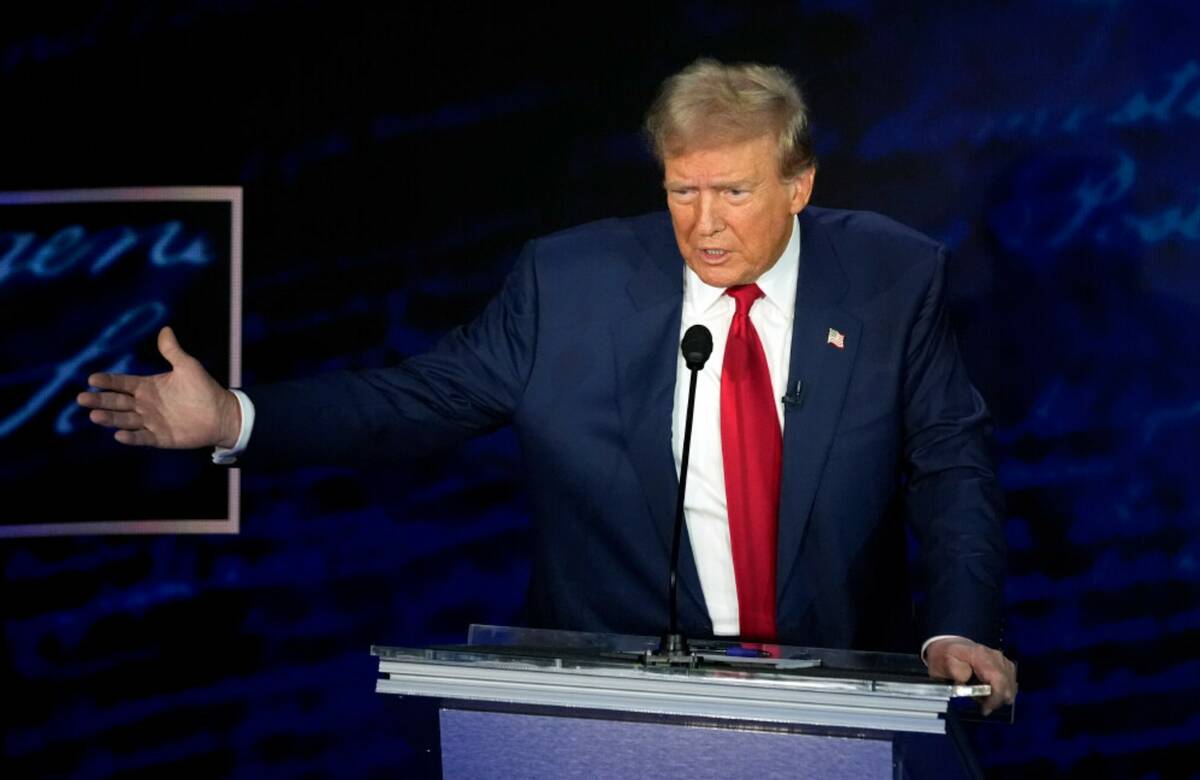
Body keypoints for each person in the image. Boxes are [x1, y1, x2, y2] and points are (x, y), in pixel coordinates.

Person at [78, 58, 1016, 714]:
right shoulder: (567, 286)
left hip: (838, 693)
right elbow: (424, 399)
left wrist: (956, 628)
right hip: (616, 700)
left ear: (800, 184)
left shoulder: (892, 278)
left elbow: (950, 463)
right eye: (681, 191)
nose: (704, 224)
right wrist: (236, 415)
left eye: (733, 192)